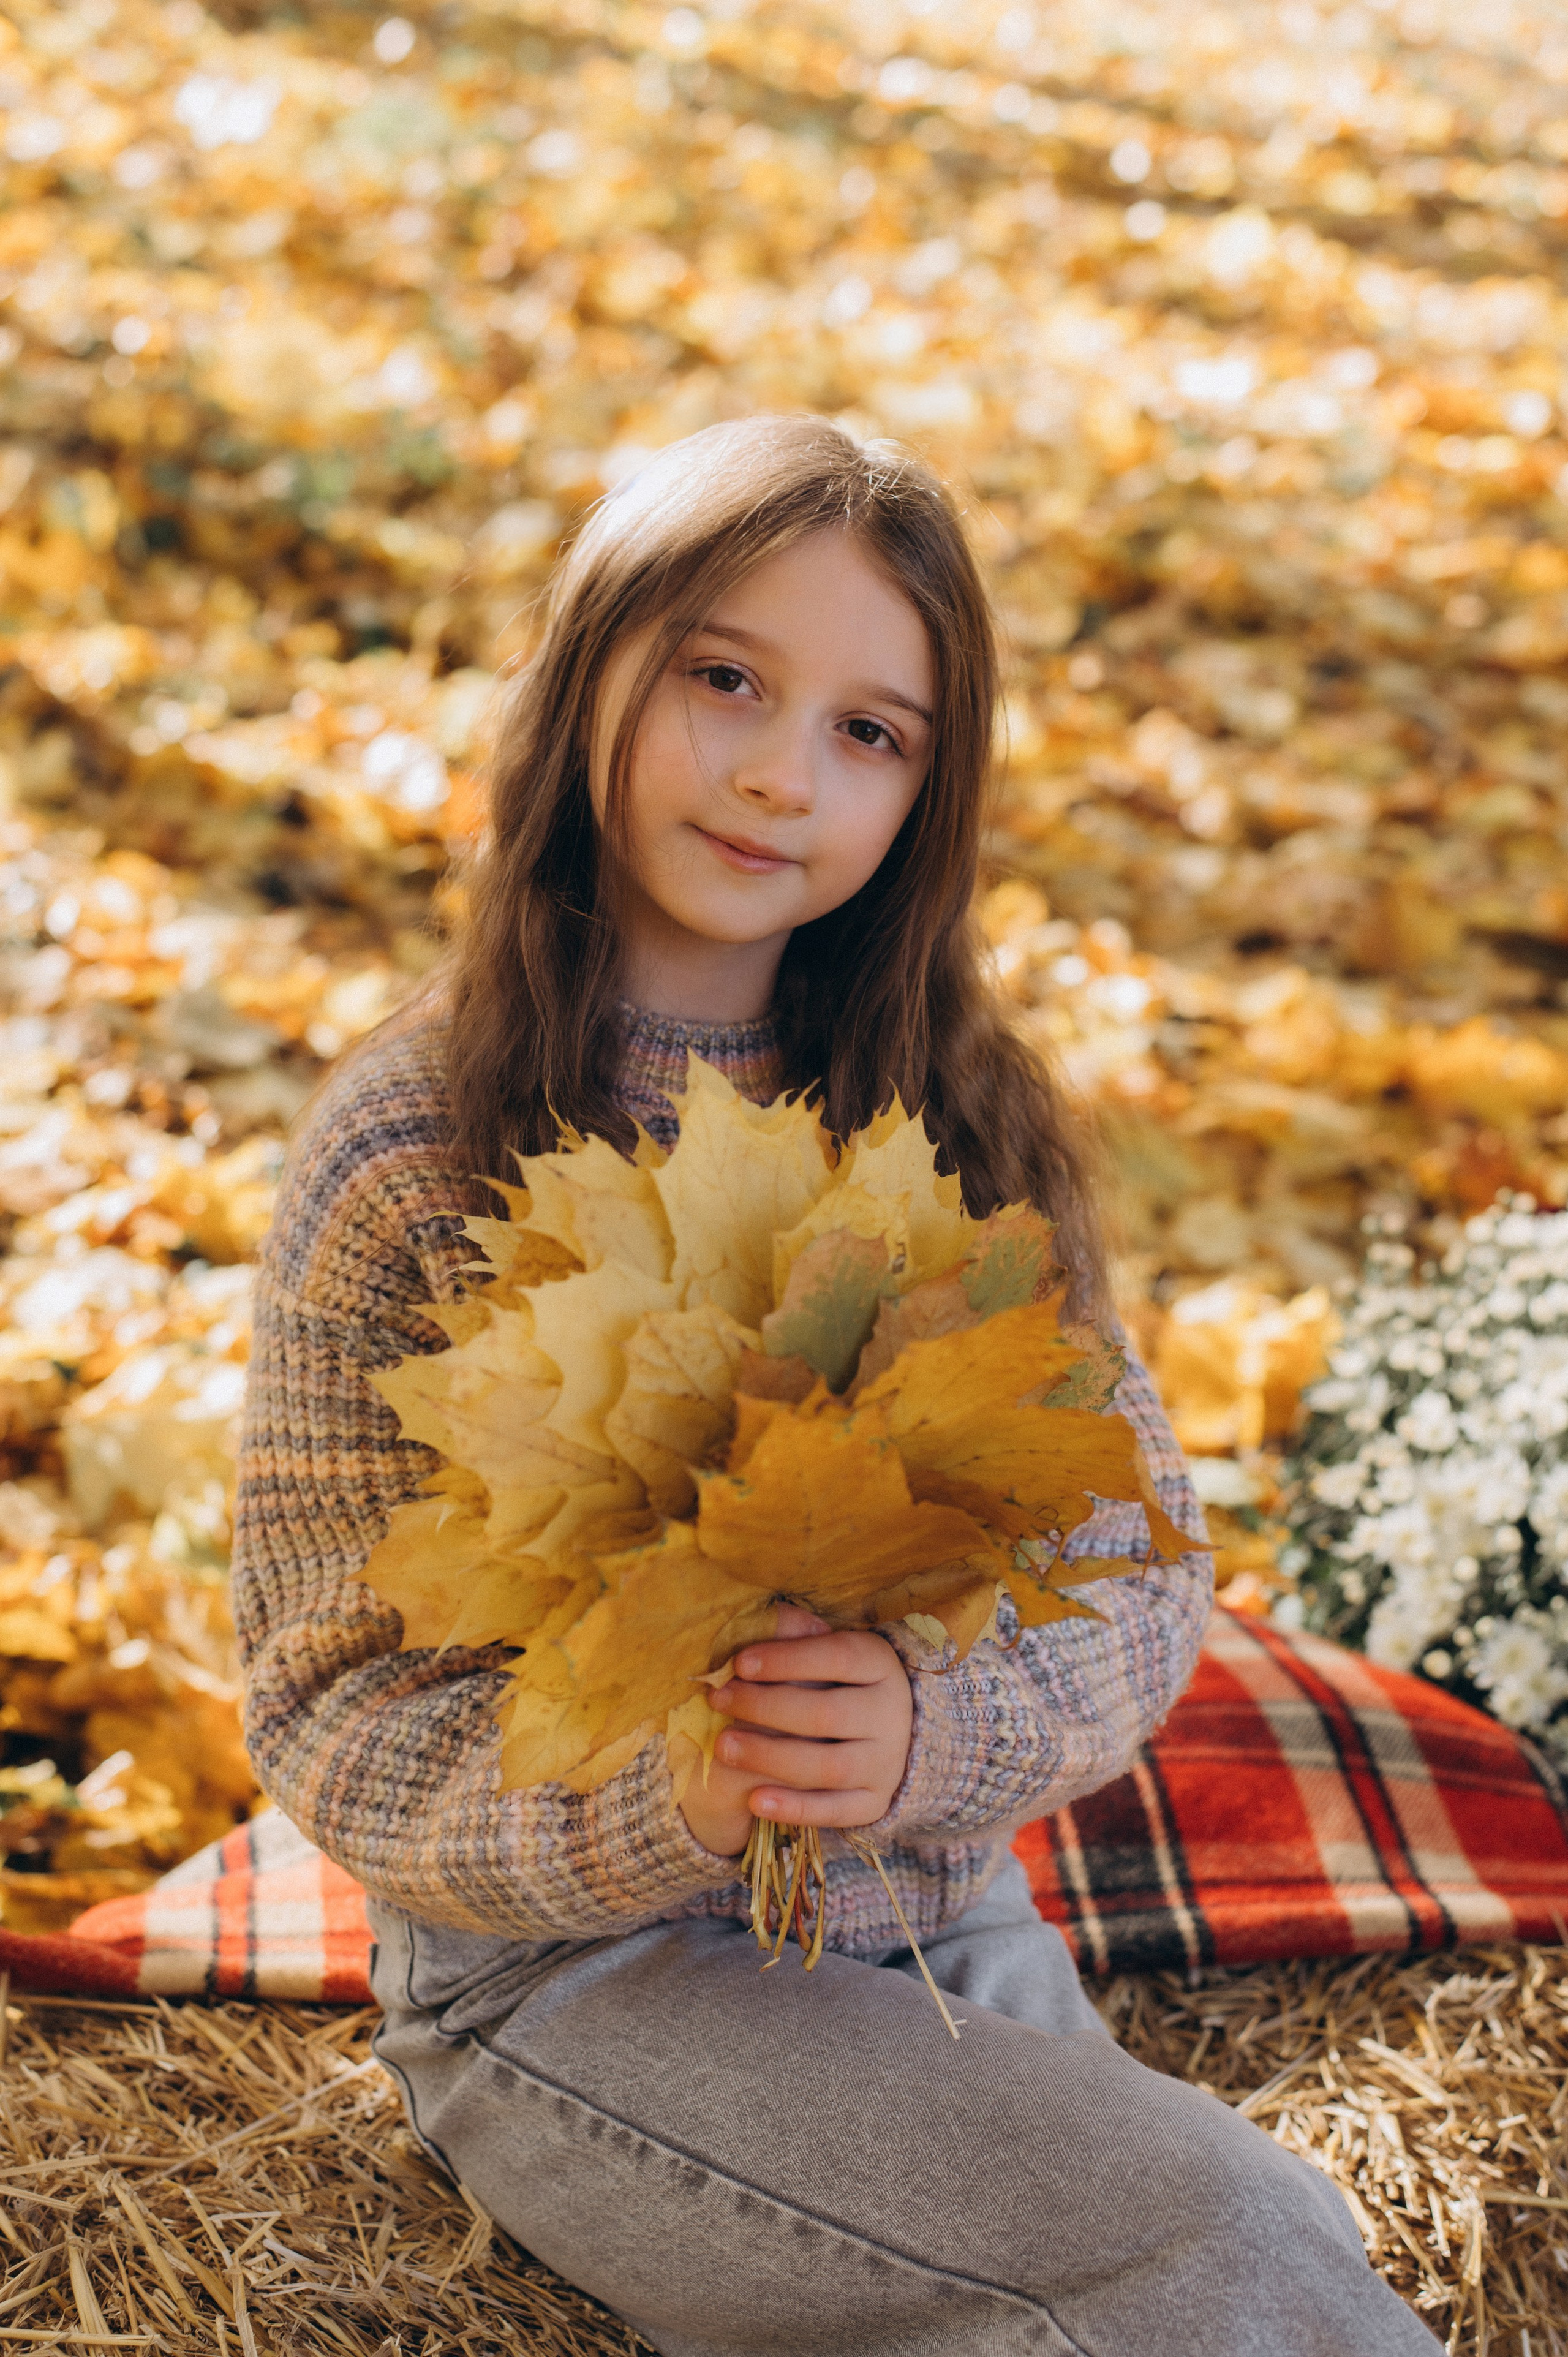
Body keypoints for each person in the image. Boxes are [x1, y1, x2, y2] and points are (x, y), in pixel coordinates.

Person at [233, 415, 1438, 2355]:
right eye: (725, 679)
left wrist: (934, 1732)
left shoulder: (956, 1122)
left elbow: (1138, 1560)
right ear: (593, 667)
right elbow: (324, 1700)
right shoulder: (413, 1148)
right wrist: (676, 1797)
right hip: (580, 1984)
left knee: (1274, 2248)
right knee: (1218, 2242)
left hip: (942, 1929)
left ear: (926, 796)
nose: (784, 773)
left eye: (872, 733)